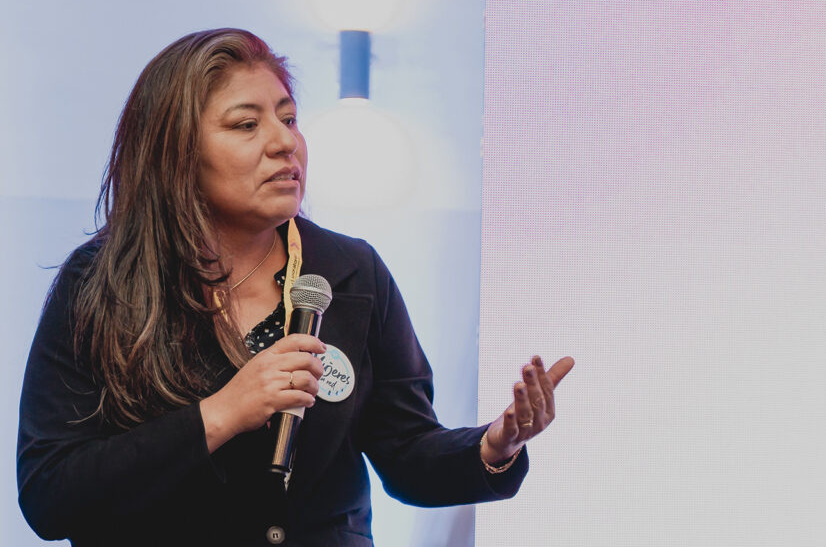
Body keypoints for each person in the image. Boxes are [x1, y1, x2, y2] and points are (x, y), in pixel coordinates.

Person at [16, 28, 574, 547]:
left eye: (289, 118)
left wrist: (493, 447)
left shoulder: (352, 272)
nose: (285, 143)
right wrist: (224, 411)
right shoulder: (101, 283)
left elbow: (406, 454)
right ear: (176, 151)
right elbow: (51, 494)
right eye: (246, 124)